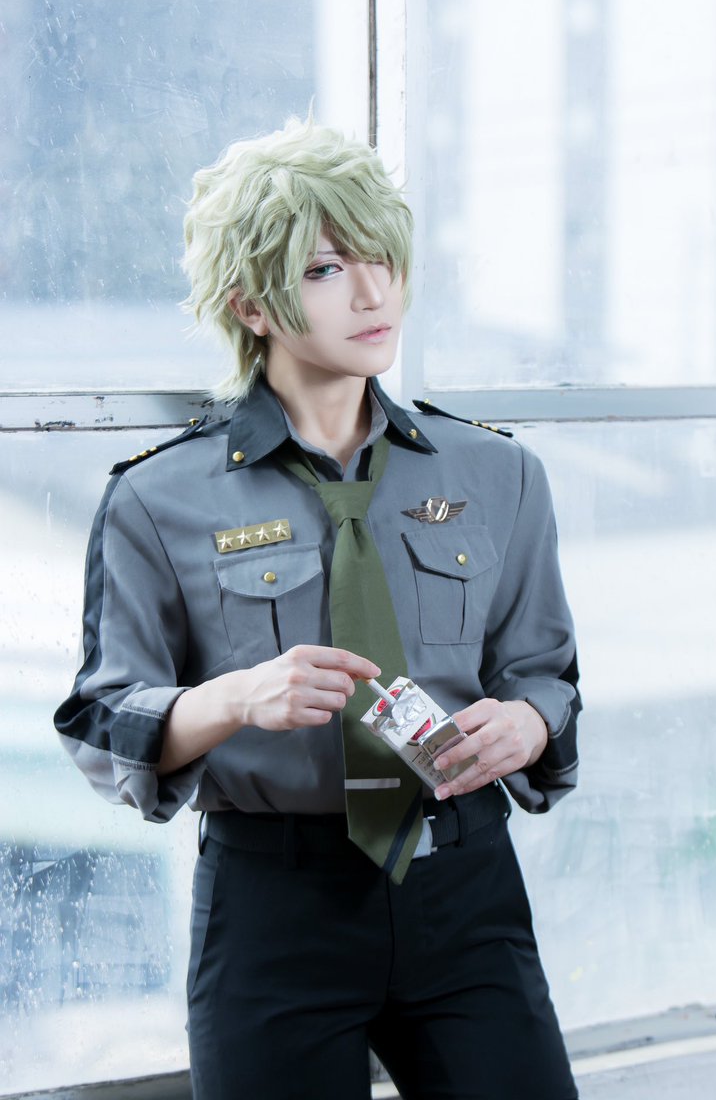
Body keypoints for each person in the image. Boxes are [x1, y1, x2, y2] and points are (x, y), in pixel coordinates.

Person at [54, 117, 581, 1100]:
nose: (375, 294)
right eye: (327, 269)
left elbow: (546, 675)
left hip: (465, 891)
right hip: (273, 910)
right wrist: (236, 699)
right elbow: (100, 719)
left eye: (382, 257)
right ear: (250, 302)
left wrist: (527, 724)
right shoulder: (156, 499)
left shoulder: (498, 473)